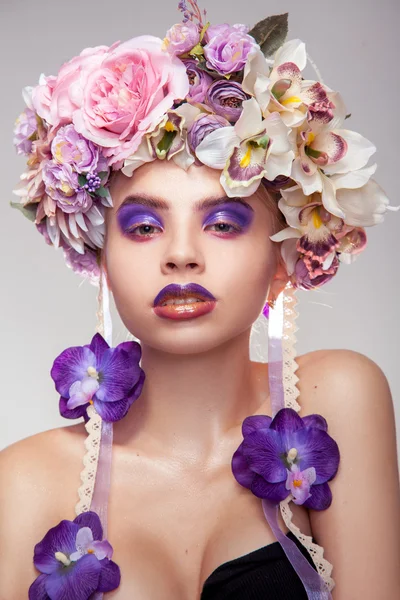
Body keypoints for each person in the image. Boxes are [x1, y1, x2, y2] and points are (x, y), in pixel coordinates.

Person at [1, 2, 399, 599]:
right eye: (142, 227)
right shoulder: (23, 484)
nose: (181, 255)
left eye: (223, 222)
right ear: (101, 258)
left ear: (282, 260)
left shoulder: (338, 398)